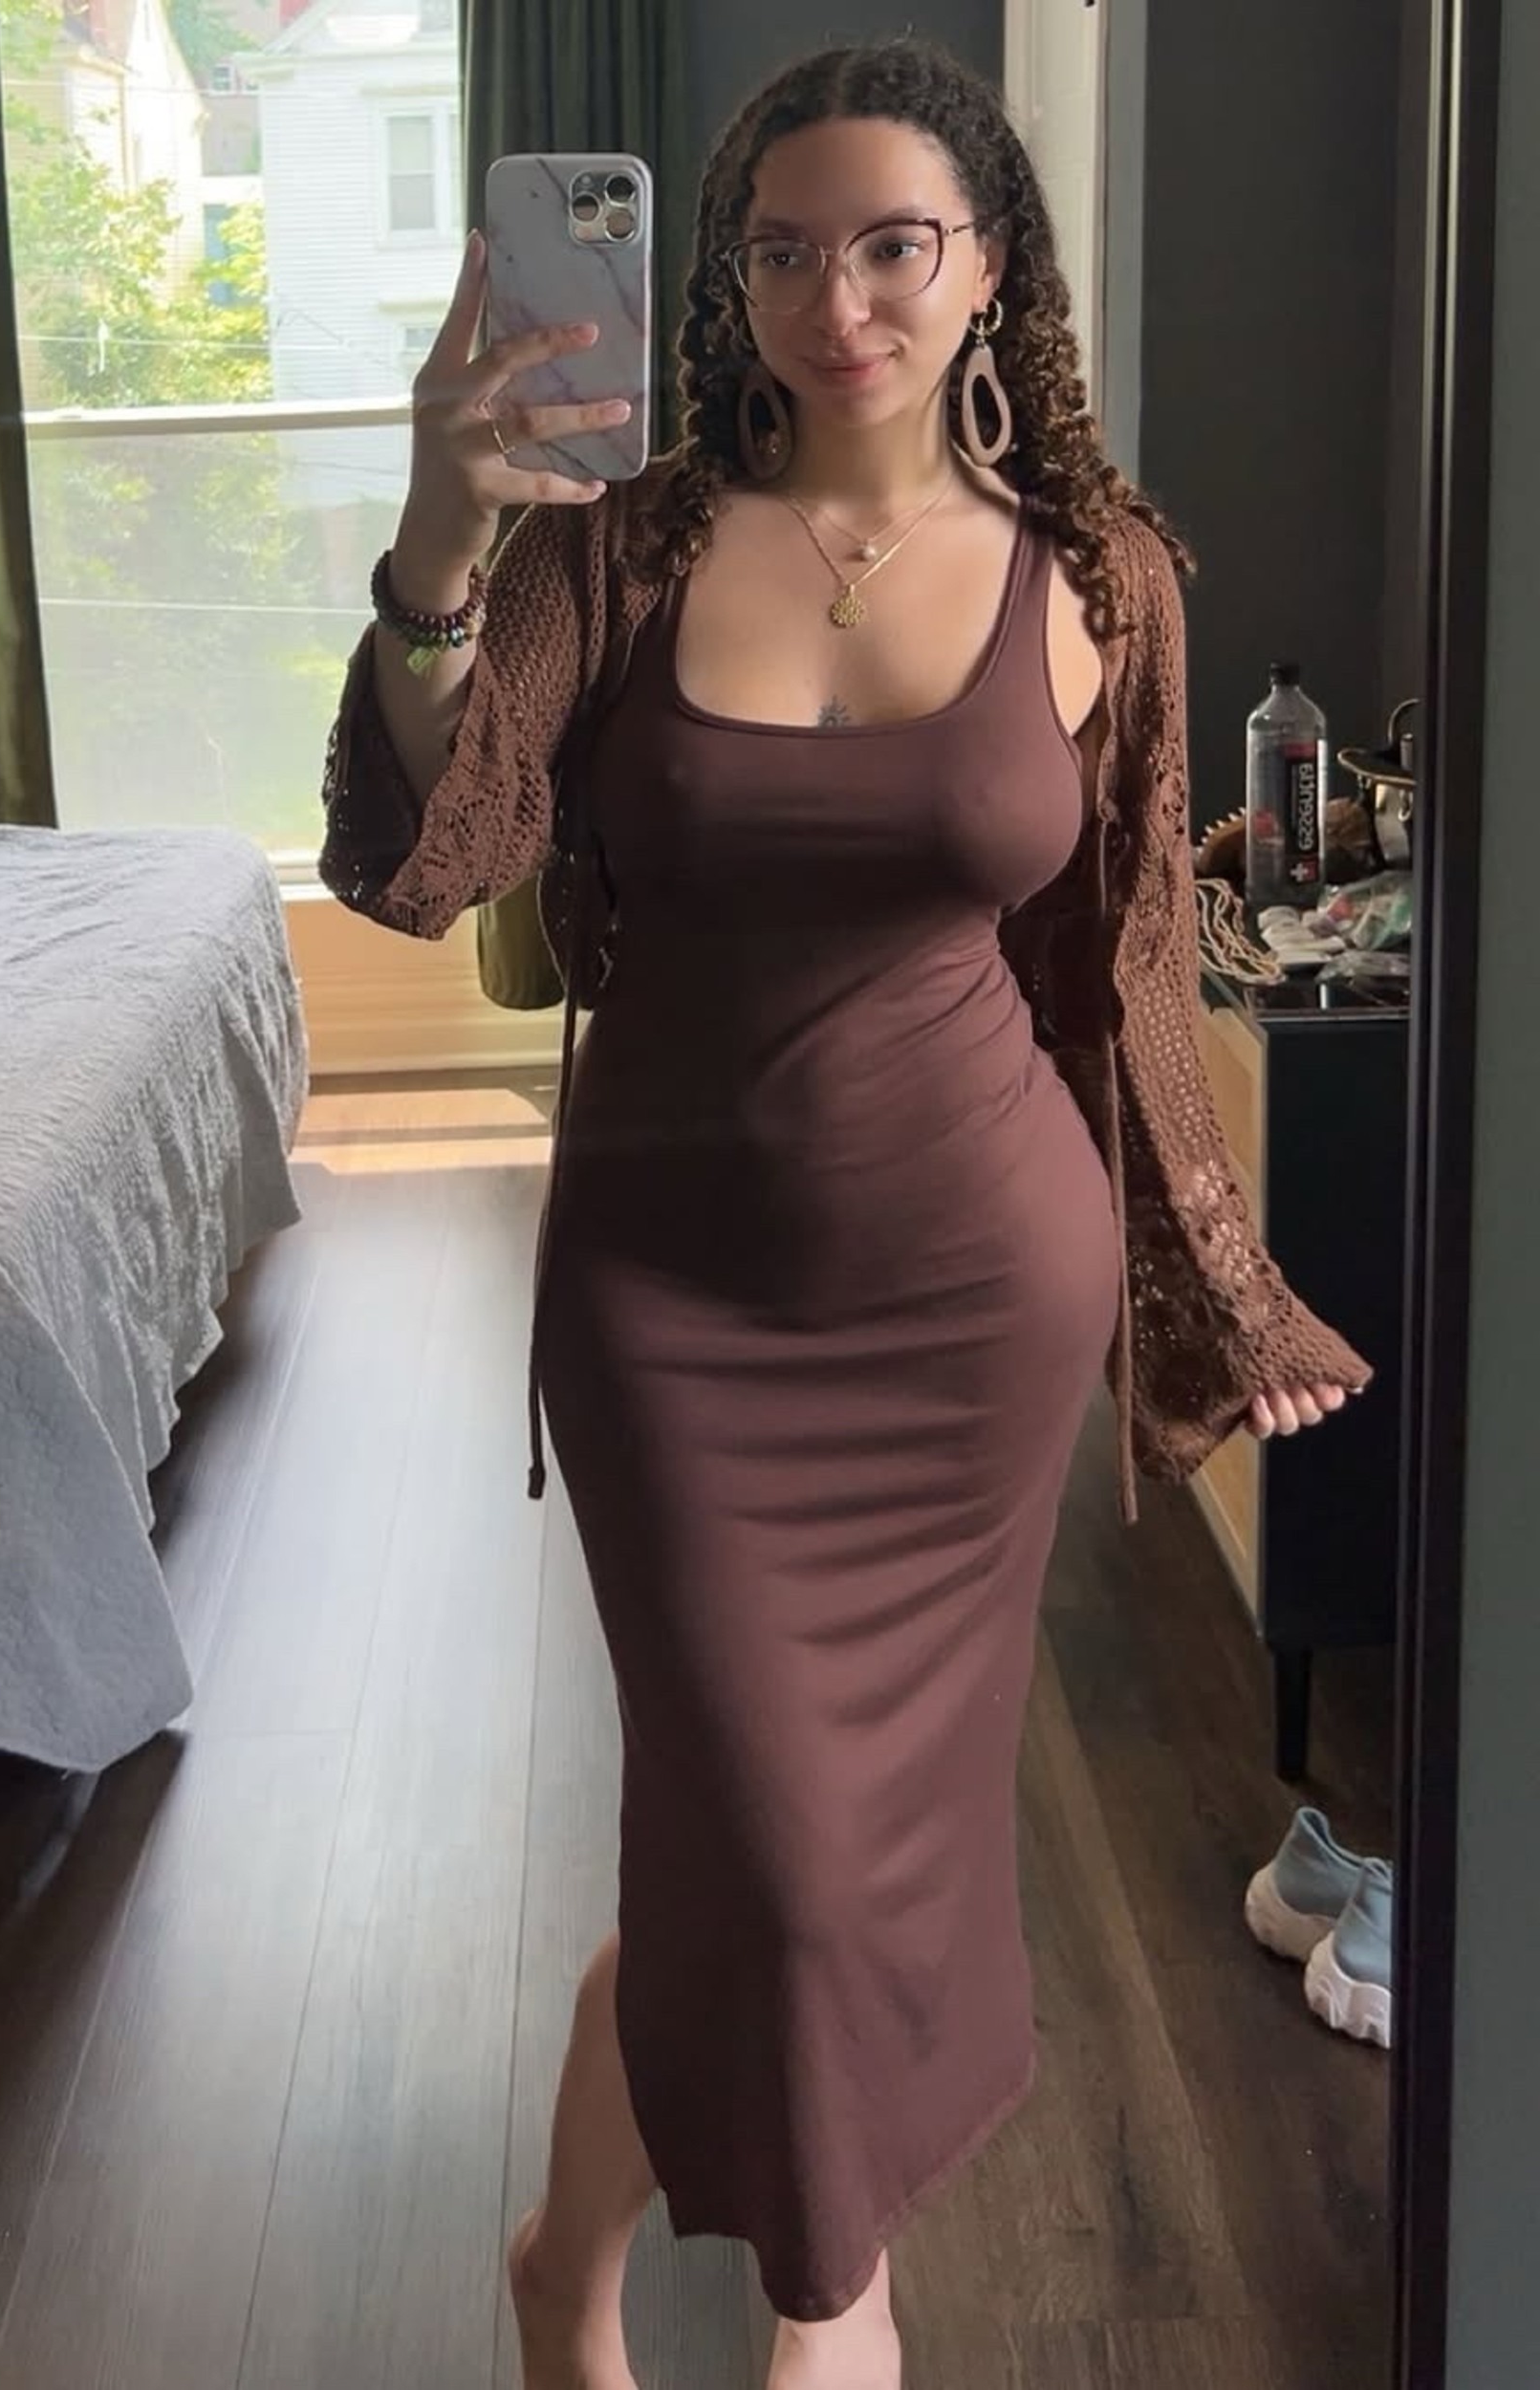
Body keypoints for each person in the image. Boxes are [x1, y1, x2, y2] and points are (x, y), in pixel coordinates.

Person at [318, 36, 1371, 2390]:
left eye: (894, 244)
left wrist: (1214, 1272)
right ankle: (804, 2296)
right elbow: (425, 858)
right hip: (669, 1309)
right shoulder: (613, 550)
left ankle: (614, 2282)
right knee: (774, 1856)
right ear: (725, 279)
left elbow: (1119, 963)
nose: (839, 300)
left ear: (988, 265)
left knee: (786, 1867)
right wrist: (436, 539)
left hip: (969, 1303)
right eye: (784, 252)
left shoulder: (1104, 577)